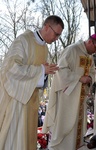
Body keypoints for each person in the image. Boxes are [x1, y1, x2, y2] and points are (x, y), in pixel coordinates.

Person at [0, 15, 64, 150]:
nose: (56, 38)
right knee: (16, 139)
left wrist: (45, 73)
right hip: (17, 100)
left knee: (28, 139)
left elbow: (40, 77)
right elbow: (10, 68)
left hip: (32, 101)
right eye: (56, 34)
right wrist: (41, 70)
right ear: (47, 27)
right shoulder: (23, 40)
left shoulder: (45, 48)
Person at [42, 33, 96, 150]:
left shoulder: (89, 56)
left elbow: (92, 72)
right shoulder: (71, 50)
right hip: (67, 98)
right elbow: (61, 69)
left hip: (80, 98)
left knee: (77, 129)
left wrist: (90, 78)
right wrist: (79, 78)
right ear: (90, 42)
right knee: (64, 125)